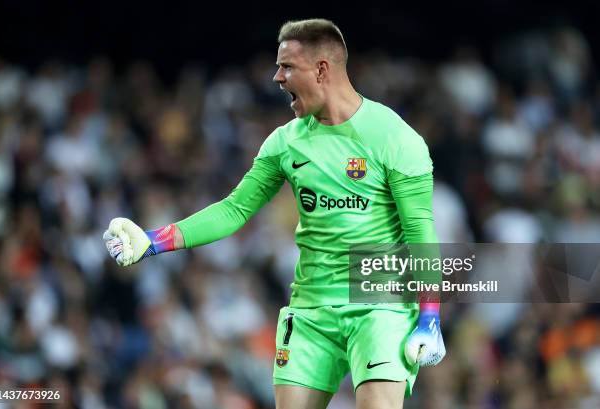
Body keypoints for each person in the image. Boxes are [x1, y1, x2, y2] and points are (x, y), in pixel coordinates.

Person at [103, 18, 445, 409]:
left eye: (287, 67)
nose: (276, 77)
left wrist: (429, 315)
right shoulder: (285, 142)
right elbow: (234, 210)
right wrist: (152, 241)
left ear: (321, 69)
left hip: (380, 303)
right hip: (310, 309)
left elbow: (420, 229)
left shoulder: (395, 138)